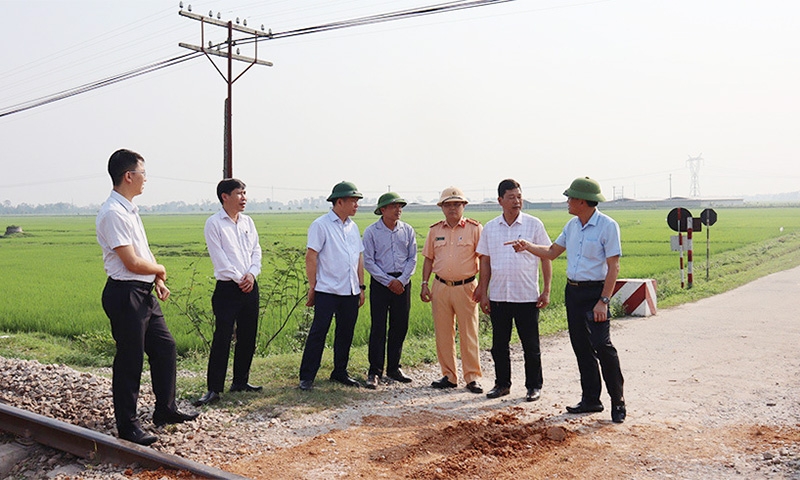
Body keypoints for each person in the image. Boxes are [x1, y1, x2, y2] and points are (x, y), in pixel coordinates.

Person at [96, 149, 198, 446]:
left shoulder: (129, 209)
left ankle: (165, 409)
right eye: (143, 174)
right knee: (130, 360)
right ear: (128, 176)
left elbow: (143, 252)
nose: (145, 180)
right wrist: (161, 268)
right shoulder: (113, 213)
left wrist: (157, 279)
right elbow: (130, 262)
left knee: (165, 348)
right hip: (125, 294)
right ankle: (127, 425)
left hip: (142, 293)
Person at [508, 176, 626, 423]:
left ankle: (618, 400)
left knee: (602, 346)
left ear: (583, 201)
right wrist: (527, 246)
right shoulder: (572, 226)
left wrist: (604, 300)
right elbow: (552, 252)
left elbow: (613, 267)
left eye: (570, 197)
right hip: (574, 293)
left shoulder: (607, 226)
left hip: (596, 293)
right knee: (581, 347)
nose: (567, 201)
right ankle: (591, 399)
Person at [474, 179, 552, 402]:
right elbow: (485, 263)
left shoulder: (533, 225)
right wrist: (484, 292)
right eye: (511, 197)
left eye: (519, 197)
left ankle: (534, 386)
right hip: (499, 295)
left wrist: (546, 290)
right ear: (500, 200)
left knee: (531, 345)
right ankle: (502, 384)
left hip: (527, 295)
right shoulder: (490, 228)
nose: (517, 201)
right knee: (499, 345)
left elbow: (547, 257)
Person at [194, 178, 263, 407]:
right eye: (239, 193)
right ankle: (214, 388)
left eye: (245, 193)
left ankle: (241, 381)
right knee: (222, 338)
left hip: (250, 286)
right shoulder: (214, 224)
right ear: (225, 196)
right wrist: (239, 278)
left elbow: (256, 252)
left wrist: (251, 275)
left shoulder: (248, 222)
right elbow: (220, 259)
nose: (244, 198)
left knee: (248, 335)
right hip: (227, 289)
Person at [298, 181, 366, 391]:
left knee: (345, 333)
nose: (356, 205)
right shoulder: (321, 225)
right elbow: (311, 256)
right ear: (339, 201)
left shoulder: (353, 227)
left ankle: (340, 372)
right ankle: (307, 376)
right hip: (327, 290)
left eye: (357, 201)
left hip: (350, 289)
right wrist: (313, 286)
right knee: (319, 332)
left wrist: (361, 286)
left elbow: (359, 258)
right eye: (353, 201)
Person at [420, 186, 483, 394]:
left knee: (469, 332)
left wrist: (483, 286)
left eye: (457, 204)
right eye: (448, 204)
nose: (453, 208)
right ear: (442, 208)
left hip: (467, 287)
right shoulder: (435, 230)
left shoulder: (474, 229)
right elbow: (429, 259)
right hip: (441, 286)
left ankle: (472, 377)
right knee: (443, 333)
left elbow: (484, 259)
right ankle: (449, 375)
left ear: (464, 206)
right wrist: (424, 284)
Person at [362, 192, 417, 389]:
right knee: (378, 327)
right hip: (381, 283)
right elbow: (368, 260)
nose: (398, 209)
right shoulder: (371, 232)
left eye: (400, 206)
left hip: (402, 283)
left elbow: (412, 258)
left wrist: (401, 280)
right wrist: (388, 281)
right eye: (394, 206)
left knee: (400, 325)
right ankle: (374, 371)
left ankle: (394, 367)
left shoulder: (408, 230)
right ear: (382, 210)